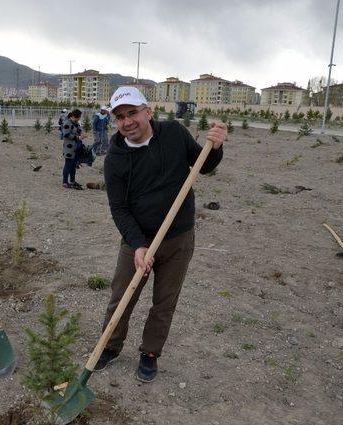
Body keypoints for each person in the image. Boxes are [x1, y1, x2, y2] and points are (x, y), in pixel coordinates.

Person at [95, 86, 226, 382]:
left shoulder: (174, 135)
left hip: (178, 238)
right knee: (121, 296)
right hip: (138, 240)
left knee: (165, 301)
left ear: (148, 111)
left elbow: (203, 166)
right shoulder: (115, 160)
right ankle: (109, 346)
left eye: (132, 113)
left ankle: (150, 352)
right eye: (119, 117)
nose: (127, 122)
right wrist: (138, 245)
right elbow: (119, 209)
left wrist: (215, 148)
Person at [61, 109, 85, 189]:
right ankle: (65, 182)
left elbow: (78, 131)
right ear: (74, 116)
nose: (79, 119)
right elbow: (66, 135)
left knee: (74, 165)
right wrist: (77, 137)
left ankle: (72, 181)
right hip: (69, 148)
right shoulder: (67, 123)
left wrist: (81, 135)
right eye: (78, 117)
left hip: (76, 147)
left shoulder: (76, 123)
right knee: (68, 165)